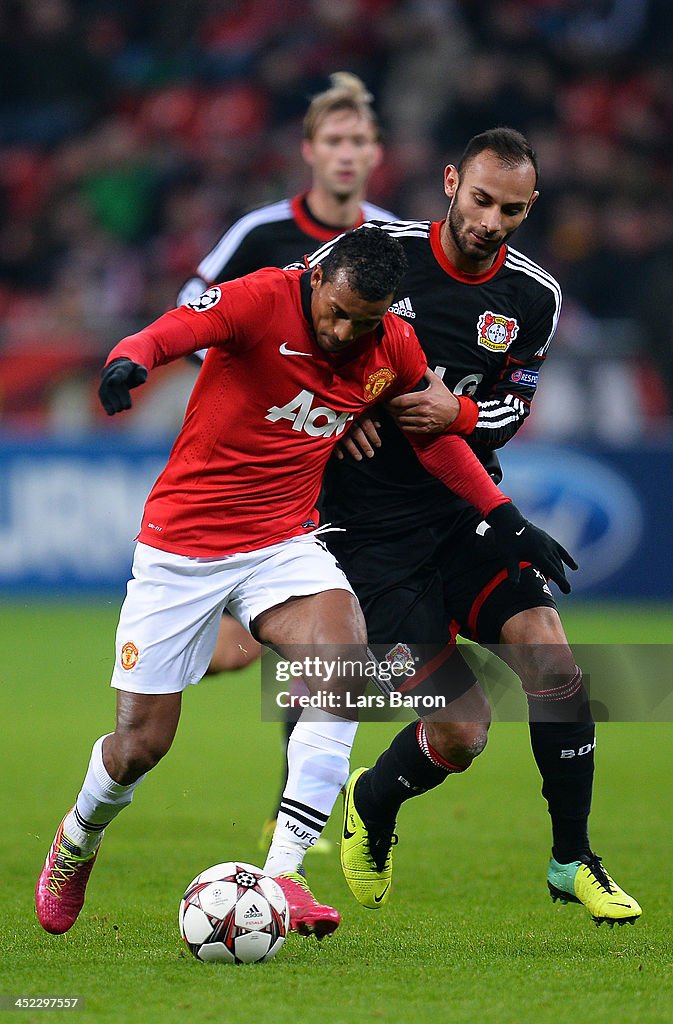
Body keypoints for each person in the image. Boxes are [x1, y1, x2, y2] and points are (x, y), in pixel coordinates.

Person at [34, 227, 573, 940]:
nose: (346, 330)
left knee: (340, 662)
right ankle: (77, 839)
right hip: (181, 548)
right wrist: (128, 361)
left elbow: (434, 434)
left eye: (366, 319)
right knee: (139, 746)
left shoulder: (391, 346)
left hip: (282, 542)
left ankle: (286, 872)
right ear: (317, 279)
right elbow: (175, 327)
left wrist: (503, 517)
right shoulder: (262, 298)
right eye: (338, 312)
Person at [261, 128, 642, 927]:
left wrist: (458, 410)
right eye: (479, 200)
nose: (491, 220)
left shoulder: (533, 297)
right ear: (448, 183)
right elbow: (288, 333)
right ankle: (373, 801)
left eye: (511, 208)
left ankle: (570, 859)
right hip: (361, 536)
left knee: (554, 662)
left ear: (528, 208)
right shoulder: (376, 252)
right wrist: (339, 411)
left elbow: (509, 409)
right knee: (463, 731)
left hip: (463, 509)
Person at [179, 72, 396, 842]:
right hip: (261, 477)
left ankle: (286, 844)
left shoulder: (390, 246)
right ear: (309, 150)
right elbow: (190, 313)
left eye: (357, 141)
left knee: (329, 664)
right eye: (331, 140)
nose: (344, 153)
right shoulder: (261, 234)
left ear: (375, 152)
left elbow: (408, 356)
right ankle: (165, 654)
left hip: (355, 484)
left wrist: (363, 408)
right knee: (252, 658)